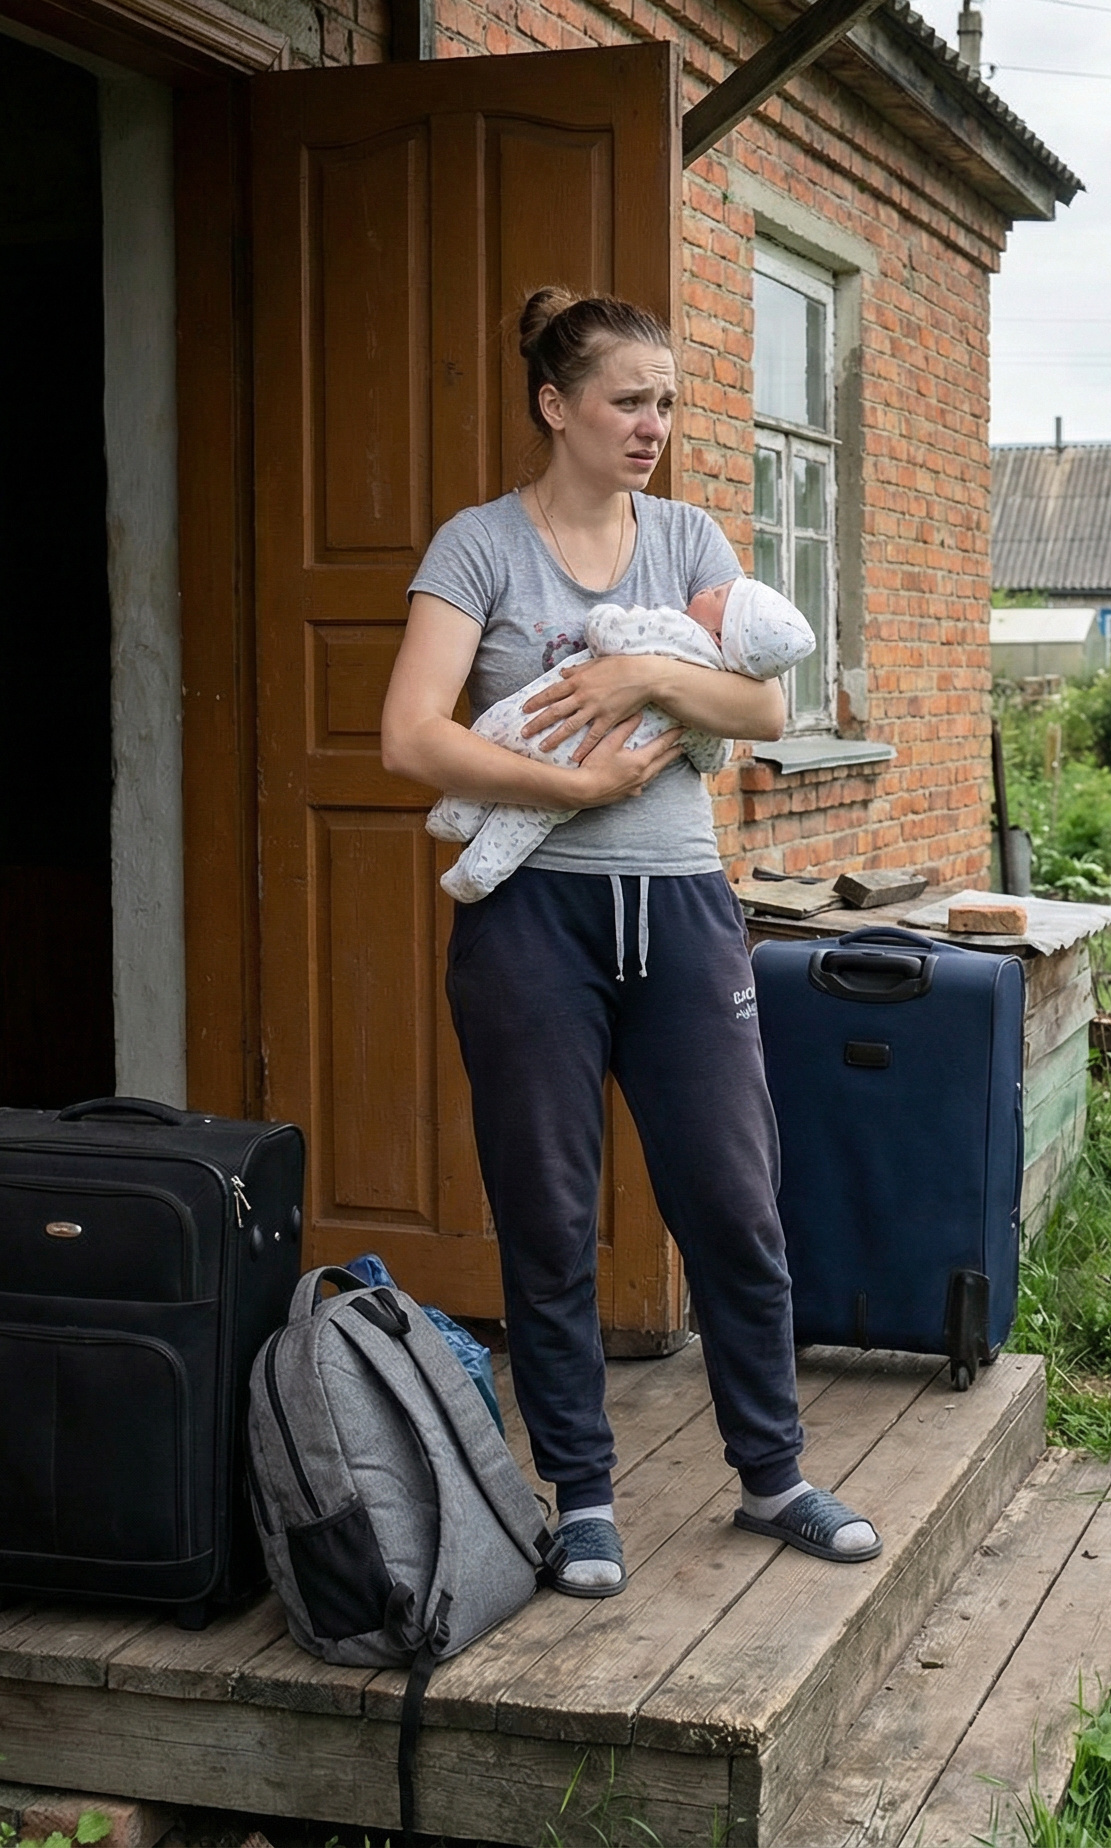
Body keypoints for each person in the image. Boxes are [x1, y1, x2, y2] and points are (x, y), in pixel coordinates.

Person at [379, 288, 879, 1596]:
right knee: (547, 1215)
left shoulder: (690, 537)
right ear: (559, 406)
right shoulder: (479, 547)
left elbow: (763, 699)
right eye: (627, 400)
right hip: (531, 921)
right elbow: (412, 735)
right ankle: (583, 1494)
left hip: (683, 907)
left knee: (731, 1197)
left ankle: (772, 1474)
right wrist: (576, 790)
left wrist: (649, 677)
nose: (653, 423)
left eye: (665, 399)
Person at [426, 576, 815, 904]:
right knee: (526, 819)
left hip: (544, 721)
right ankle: (475, 876)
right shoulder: (712, 695)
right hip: (596, 763)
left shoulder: (675, 630)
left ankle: (455, 814)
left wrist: (610, 618)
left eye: (719, 597)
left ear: (720, 634)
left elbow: (605, 633)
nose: (710, 588)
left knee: (496, 738)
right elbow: (713, 755)